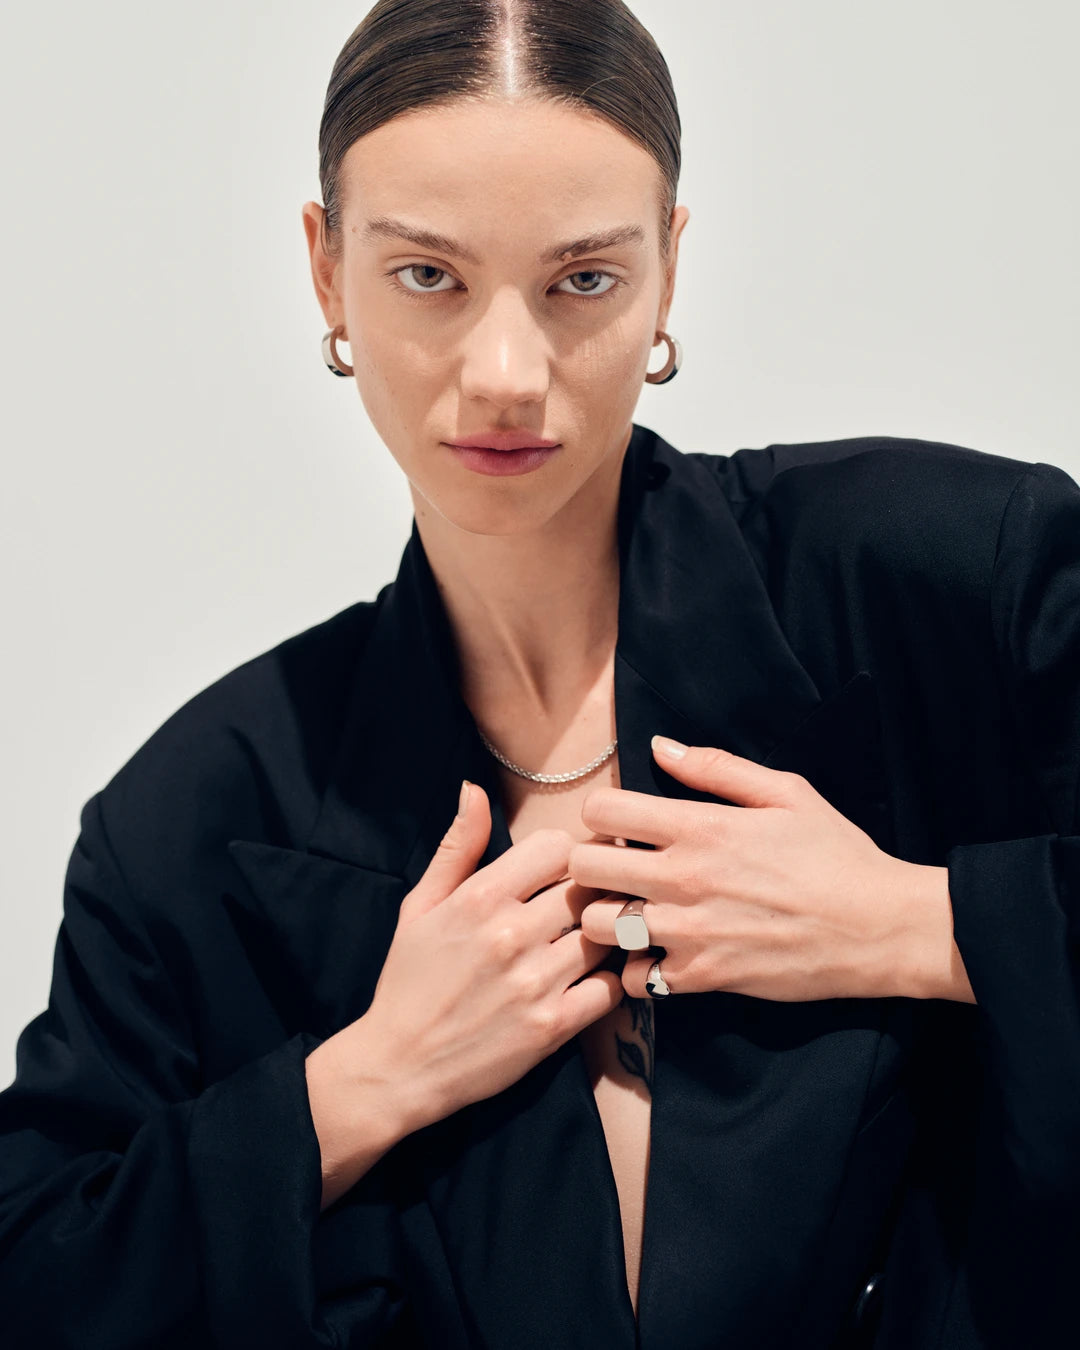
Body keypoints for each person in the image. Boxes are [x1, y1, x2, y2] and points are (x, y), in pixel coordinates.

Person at [1, 2, 1077, 1347]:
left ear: (668, 270)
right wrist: (362, 1085)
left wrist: (924, 925)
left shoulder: (960, 578)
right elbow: (37, 1277)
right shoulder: (192, 821)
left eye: (583, 281)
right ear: (327, 272)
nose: (506, 374)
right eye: (427, 276)